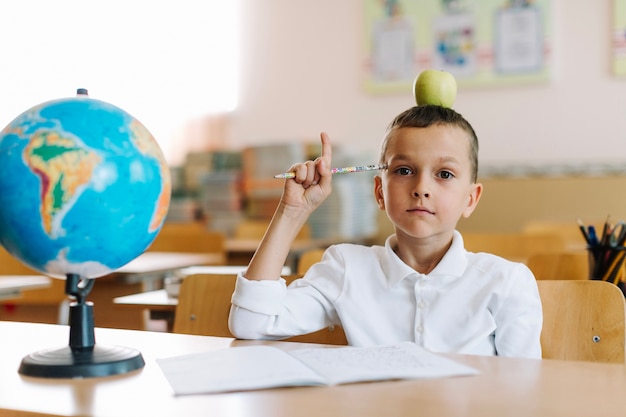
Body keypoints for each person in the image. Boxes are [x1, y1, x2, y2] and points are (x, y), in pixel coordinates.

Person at [228, 104, 542, 359]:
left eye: (444, 174)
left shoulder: (506, 282)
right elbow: (251, 322)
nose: (422, 188)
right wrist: (291, 212)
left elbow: (522, 392)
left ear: (470, 198)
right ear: (379, 191)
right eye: (404, 171)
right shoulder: (347, 268)